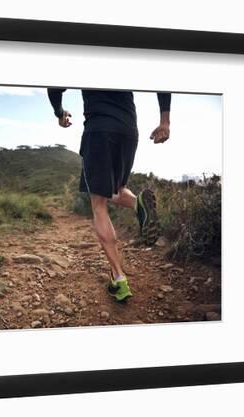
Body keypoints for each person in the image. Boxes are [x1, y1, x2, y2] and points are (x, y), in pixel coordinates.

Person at [47, 87, 171, 302]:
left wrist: (60, 112)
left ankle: (119, 278)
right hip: (129, 130)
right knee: (117, 189)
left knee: (98, 205)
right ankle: (137, 203)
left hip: (99, 131)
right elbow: (162, 81)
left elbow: (53, 86)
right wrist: (165, 122)